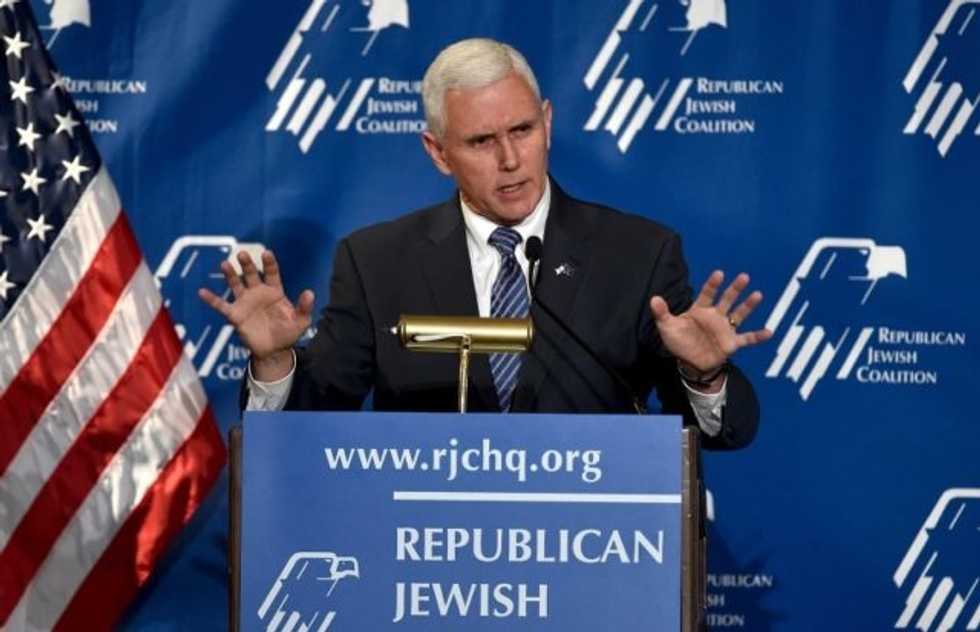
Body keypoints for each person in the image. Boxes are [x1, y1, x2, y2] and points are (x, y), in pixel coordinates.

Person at [199, 38, 772, 449]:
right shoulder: (377, 262)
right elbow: (310, 422)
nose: (510, 159)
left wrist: (704, 376)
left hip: (590, 544)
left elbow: (724, 432)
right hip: (431, 551)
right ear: (437, 152)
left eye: (523, 130)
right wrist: (274, 362)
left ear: (547, 122)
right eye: (480, 141)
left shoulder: (637, 253)